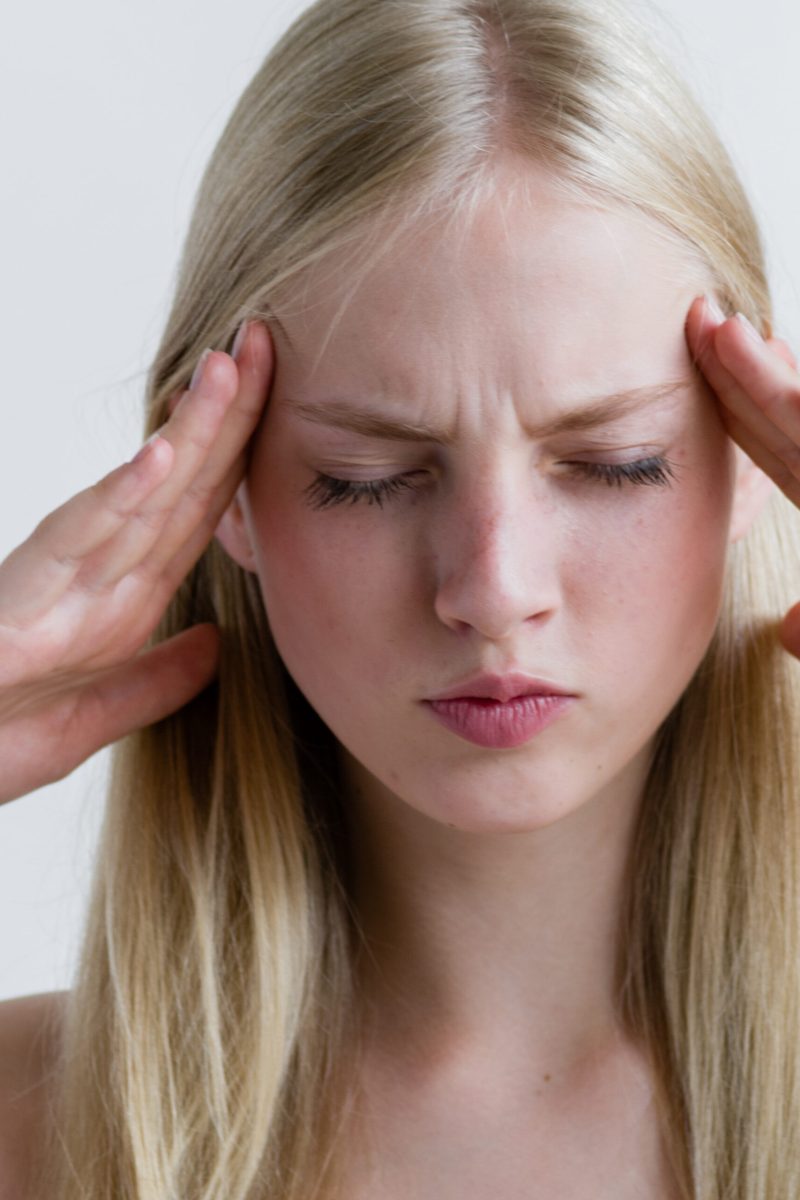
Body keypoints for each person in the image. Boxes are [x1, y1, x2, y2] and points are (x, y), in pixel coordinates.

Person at [1, 0, 800, 1195]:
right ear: (219, 488)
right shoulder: (28, 1124)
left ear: (749, 456)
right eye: (367, 480)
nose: (492, 589)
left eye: (610, 462)